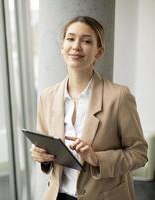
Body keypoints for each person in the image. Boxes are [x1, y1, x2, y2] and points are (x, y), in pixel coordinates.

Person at [30, 16, 148, 200]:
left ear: (99, 52)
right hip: (58, 195)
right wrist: (40, 155)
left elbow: (139, 153)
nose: (76, 46)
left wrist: (96, 159)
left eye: (86, 41)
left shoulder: (119, 97)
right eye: (70, 39)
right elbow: (45, 147)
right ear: (62, 47)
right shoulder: (47, 97)